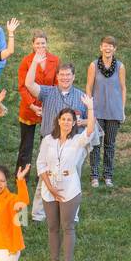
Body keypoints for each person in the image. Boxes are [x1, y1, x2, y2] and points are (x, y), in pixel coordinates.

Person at [38, 98, 97, 261]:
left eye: (69, 120)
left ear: (73, 123)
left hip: (69, 190)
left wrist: (90, 108)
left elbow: (90, 130)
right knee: (52, 227)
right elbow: (41, 164)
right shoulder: (48, 140)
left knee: (67, 227)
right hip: (49, 190)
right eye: (63, 119)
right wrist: (50, 188)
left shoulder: (78, 141)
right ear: (58, 120)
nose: (66, 122)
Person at [24, 55, 89, 221]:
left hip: (74, 145)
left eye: (68, 75)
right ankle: (38, 214)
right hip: (50, 142)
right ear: (57, 76)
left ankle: (71, 213)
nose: (65, 78)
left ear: (74, 77)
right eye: (62, 75)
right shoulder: (47, 92)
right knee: (44, 176)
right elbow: (29, 84)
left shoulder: (82, 97)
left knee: (73, 178)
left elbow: (93, 120)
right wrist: (35, 63)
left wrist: (84, 120)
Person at [16, 32, 57, 185]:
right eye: (37, 43)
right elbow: (23, 86)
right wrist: (32, 105)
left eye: (43, 43)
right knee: (26, 147)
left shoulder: (55, 60)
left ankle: (43, 176)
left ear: (47, 44)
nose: (40, 46)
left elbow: (56, 84)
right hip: (29, 109)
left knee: (46, 145)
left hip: (48, 109)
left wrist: (48, 105)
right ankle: (21, 177)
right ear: (33, 45)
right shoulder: (26, 61)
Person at [87, 36, 126, 188]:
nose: (108, 48)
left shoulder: (120, 67)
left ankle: (108, 175)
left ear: (114, 49)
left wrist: (122, 110)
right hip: (97, 111)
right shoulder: (94, 65)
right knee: (96, 144)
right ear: (100, 47)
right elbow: (89, 87)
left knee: (110, 145)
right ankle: (94, 176)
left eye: (111, 46)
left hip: (114, 111)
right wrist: (89, 109)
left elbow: (123, 88)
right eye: (105, 45)